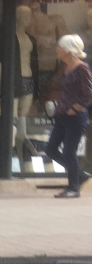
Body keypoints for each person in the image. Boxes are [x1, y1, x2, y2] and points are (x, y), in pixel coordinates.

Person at [42, 34, 92, 198]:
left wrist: (76, 108)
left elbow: (88, 93)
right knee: (50, 149)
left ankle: (73, 187)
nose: (57, 49)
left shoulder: (82, 68)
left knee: (69, 151)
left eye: (60, 47)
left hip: (75, 116)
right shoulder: (65, 67)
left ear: (69, 50)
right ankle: (79, 174)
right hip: (62, 115)